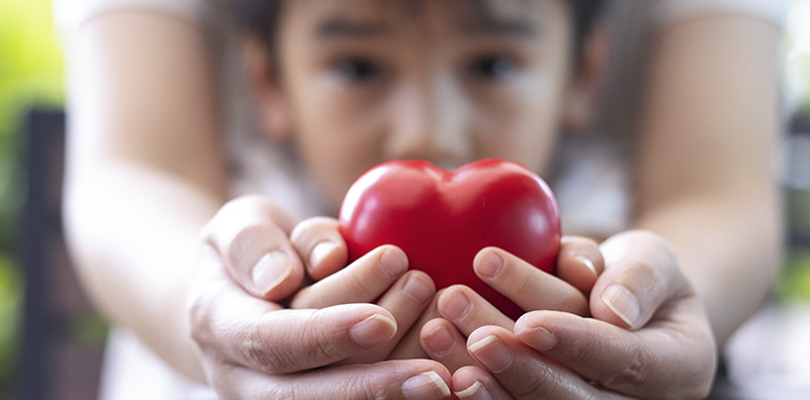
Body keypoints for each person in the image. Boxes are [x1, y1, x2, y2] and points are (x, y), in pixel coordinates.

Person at [55, 0, 785, 399]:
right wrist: (216, 311)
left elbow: (718, 196)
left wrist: (645, 315)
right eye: (359, 64)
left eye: (493, 63)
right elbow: (132, 178)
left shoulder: (596, 231)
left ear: (586, 74)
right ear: (267, 82)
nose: (429, 131)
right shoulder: (263, 209)